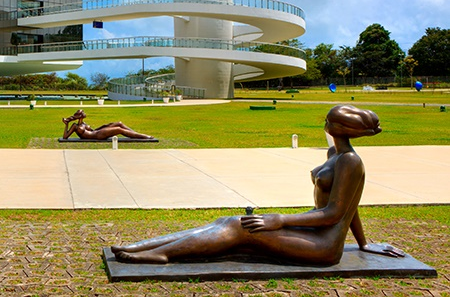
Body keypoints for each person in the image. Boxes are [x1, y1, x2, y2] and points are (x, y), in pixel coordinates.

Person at [111, 105, 404, 265]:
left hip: (323, 246)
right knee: (229, 220)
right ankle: (143, 246)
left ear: (335, 128)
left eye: (329, 120)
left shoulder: (350, 162)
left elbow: (336, 213)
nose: (324, 123)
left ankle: (164, 254)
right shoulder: (334, 155)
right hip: (313, 233)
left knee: (242, 229)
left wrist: (279, 220)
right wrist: (364, 243)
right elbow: (351, 206)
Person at [62, 109, 154, 140]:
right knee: (119, 129)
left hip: (97, 132)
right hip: (97, 136)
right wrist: (66, 124)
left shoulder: (84, 124)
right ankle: (145, 136)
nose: (85, 113)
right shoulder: (75, 126)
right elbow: (65, 137)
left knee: (119, 123)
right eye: (83, 112)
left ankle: (136, 135)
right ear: (80, 116)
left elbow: (94, 130)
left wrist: (106, 126)